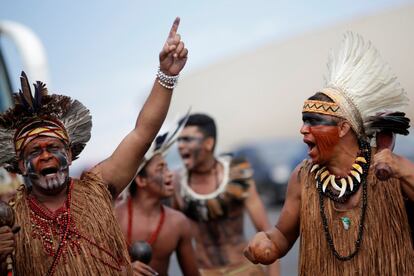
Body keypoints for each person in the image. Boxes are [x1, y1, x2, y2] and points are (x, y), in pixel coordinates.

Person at [0, 17, 188, 275]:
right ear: (21, 164)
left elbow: (142, 134)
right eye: (34, 151)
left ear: (69, 153)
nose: (45, 155)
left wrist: (166, 75)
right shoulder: (10, 218)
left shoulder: (98, 188)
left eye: (53, 147)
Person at [244, 32, 414, 275]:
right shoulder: (302, 177)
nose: (303, 129)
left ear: (343, 127)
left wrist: (402, 169)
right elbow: (283, 233)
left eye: (313, 121)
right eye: (304, 121)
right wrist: (268, 242)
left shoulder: (392, 167)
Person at [173, 113, 279, 275]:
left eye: (187, 139)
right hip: (203, 271)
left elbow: (266, 232)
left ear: (208, 143)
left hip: (243, 269)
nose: (180, 145)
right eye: (179, 140)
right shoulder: (177, 183)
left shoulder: (236, 175)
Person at [116, 121, 200, 276]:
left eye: (168, 167)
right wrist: (122, 272)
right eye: (161, 168)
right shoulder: (112, 218)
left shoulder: (178, 222)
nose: (170, 174)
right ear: (141, 180)